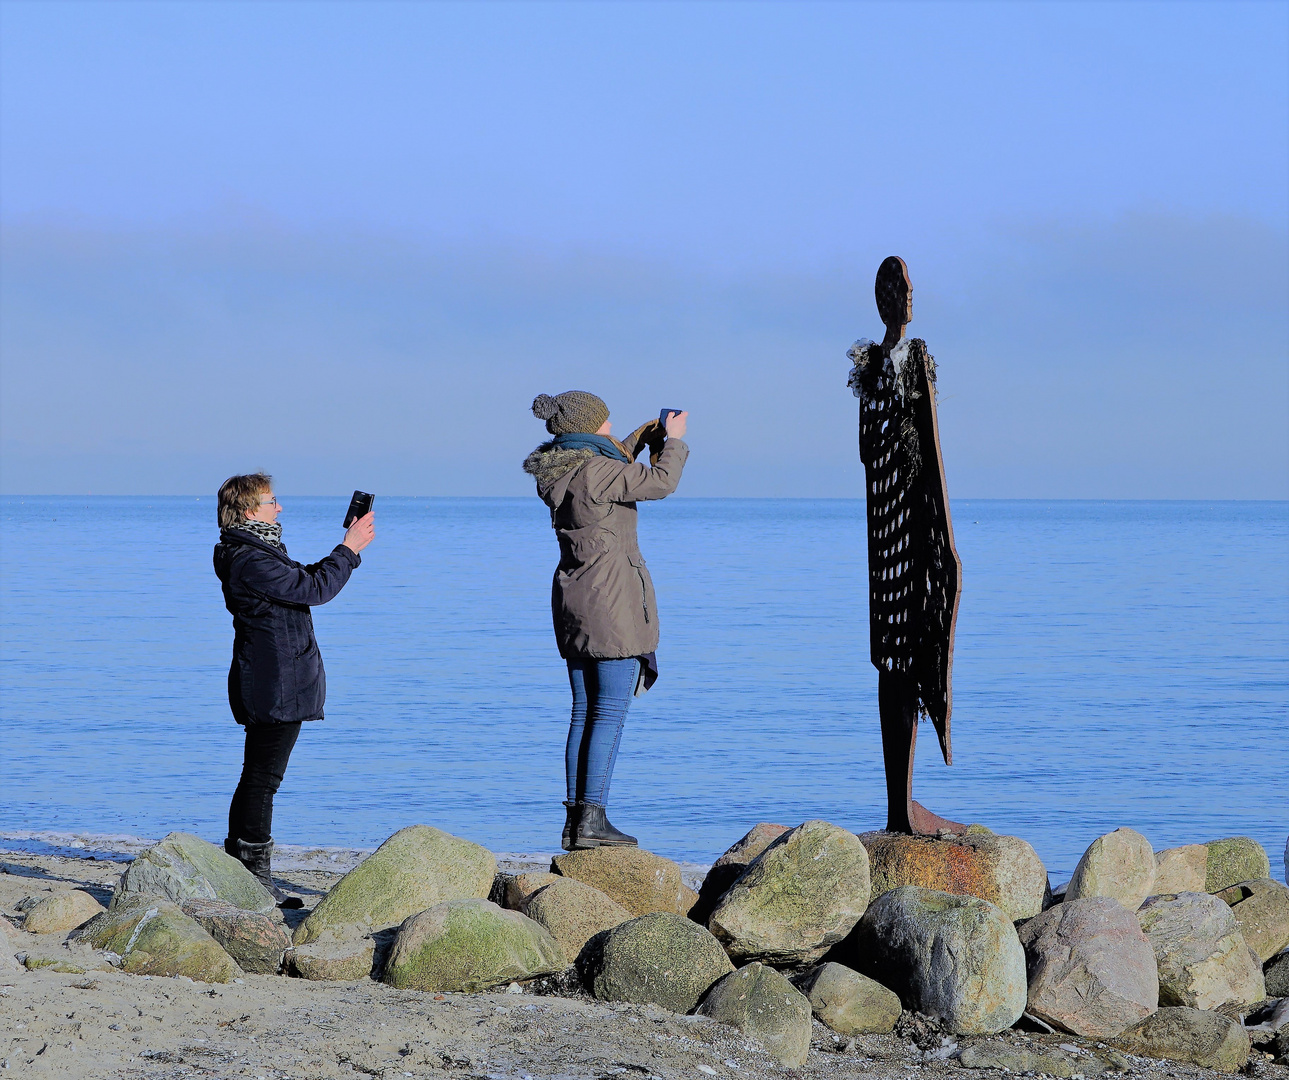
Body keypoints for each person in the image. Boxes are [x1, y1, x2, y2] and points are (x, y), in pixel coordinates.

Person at [523, 391, 689, 850]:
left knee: (583, 712)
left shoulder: (566, 470)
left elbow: (615, 464)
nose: (612, 429)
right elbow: (659, 482)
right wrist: (672, 440)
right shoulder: (598, 471)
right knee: (609, 713)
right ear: (590, 426)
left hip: (575, 603)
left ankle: (576, 821)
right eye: (607, 423)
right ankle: (593, 821)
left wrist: (640, 435)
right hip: (612, 605)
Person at [213, 473, 374, 905]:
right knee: (262, 778)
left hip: (275, 679)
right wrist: (350, 549)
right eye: (271, 501)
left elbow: (305, 578)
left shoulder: (257, 550)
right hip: (272, 683)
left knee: (259, 775)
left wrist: (344, 550)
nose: (278, 508)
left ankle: (243, 870)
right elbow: (315, 589)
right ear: (250, 511)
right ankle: (251, 874)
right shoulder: (249, 559)